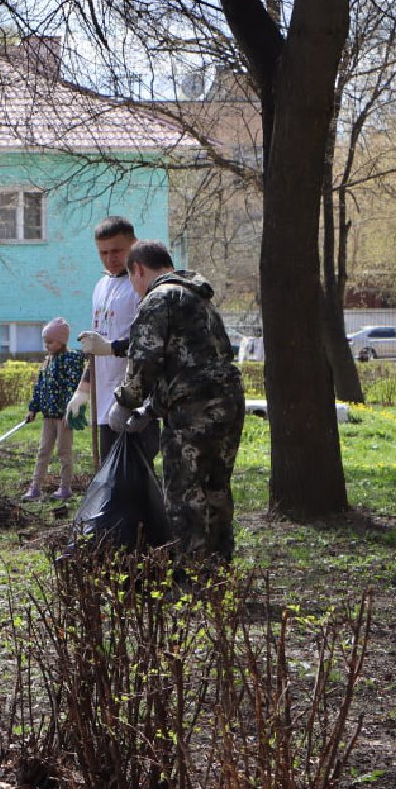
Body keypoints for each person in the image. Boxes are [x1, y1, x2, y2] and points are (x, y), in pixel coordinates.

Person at [108, 241, 246, 562]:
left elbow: (145, 358)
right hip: (228, 405)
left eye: (132, 280)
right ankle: (219, 567)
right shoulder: (201, 299)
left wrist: (125, 402)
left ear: (138, 269)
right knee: (216, 490)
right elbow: (193, 364)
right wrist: (151, 410)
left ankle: (191, 578)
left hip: (192, 412)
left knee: (185, 496)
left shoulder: (157, 299)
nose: (136, 289)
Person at [70, 217, 159, 463]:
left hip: (135, 402)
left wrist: (111, 348)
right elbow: (96, 347)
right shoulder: (101, 287)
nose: (110, 259)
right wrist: (83, 390)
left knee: (135, 478)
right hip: (104, 402)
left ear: (134, 244)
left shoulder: (142, 286)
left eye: (118, 251)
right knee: (109, 477)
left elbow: (150, 339)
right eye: (103, 253)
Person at [24, 318, 88, 500]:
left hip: (63, 417)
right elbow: (39, 387)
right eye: (45, 342)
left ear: (62, 341)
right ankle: (35, 487)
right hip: (48, 416)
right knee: (43, 451)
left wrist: (70, 411)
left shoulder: (71, 360)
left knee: (64, 451)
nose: (47, 346)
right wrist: (33, 408)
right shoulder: (47, 362)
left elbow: (73, 387)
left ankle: (65, 488)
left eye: (50, 342)